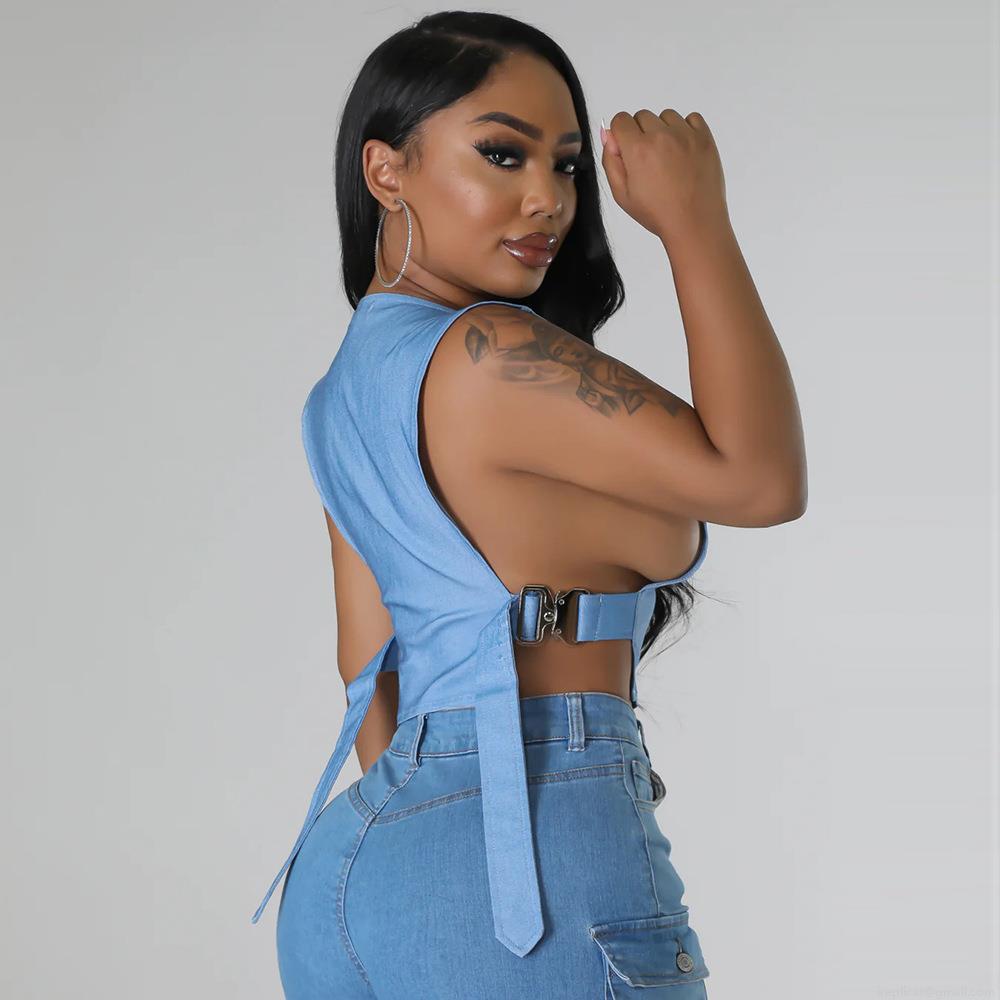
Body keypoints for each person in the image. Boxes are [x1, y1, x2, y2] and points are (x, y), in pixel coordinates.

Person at [252, 11, 807, 999]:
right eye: (502, 154)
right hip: (527, 865)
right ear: (386, 169)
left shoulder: (337, 397)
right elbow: (760, 482)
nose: (546, 197)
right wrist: (695, 222)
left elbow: (365, 666)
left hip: (354, 877)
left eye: (565, 164)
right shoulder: (490, 352)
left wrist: (439, 847)